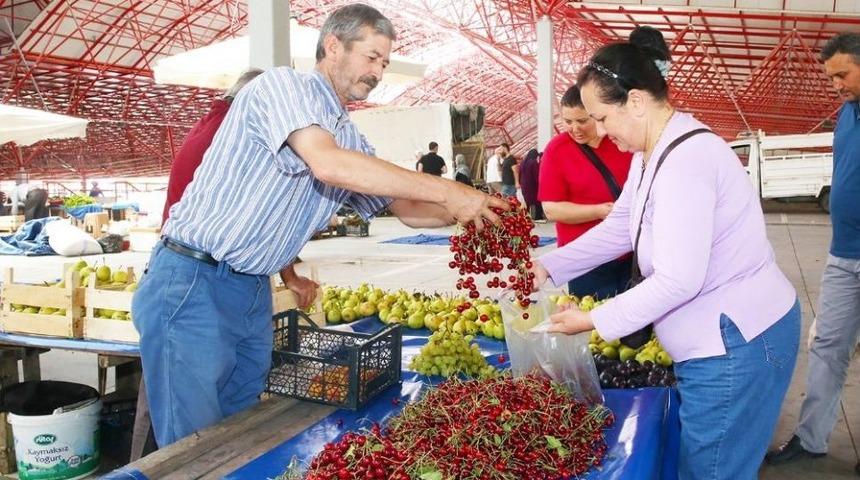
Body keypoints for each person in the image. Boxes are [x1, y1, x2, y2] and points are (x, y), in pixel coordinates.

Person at [132, 3, 506, 448]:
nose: (378, 72)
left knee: (241, 432)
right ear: (333, 45)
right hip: (194, 282)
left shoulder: (346, 134)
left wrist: (470, 209)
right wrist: (447, 190)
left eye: (384, 63)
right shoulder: (283, 86)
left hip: (250, 291)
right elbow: (327, 164)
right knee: (193, 445)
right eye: (371, 57)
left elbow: (406, 207)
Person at [530, 26, 800, 480]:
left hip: (735, 342)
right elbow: (622, 227)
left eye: (602, 117)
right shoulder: (651, 152)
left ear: (636, 101)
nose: (599, 131)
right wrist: (548, 265)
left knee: (711, 472)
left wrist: (593, 319)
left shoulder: (686, 161)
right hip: (716, 338)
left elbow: (679, 279)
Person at [766, 33, 860, 477]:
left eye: (843, 74)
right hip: (843, 253)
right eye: (832, 77)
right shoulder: (847, 113)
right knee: (827, 347)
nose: (836, 84)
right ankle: (811, 439)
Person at [539, 85, 633, 299]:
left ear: (597, 115)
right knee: (591, 314)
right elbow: (551, 209)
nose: (575, 129)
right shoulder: (557, 150)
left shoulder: (621, 140)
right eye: (567, 121)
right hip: (585, 261)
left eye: (582, 121)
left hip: (631, 254)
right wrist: (601, 211)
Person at [518, 148, 544, 221]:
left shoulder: (523, 163)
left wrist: (520, 182)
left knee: (527, 201)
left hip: (524, 185)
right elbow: (536, 175)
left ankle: (526, 216)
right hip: (532, 185)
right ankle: (538, 217)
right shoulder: (533, 162)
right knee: (537, 201)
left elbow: (519, 174)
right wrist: (540, 183)